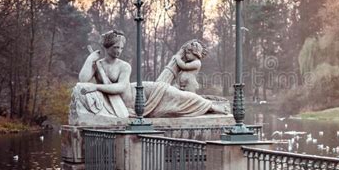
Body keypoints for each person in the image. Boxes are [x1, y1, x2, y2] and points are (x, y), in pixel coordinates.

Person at [71, 32, 228, 121]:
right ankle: (209, 106)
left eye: (121, 48)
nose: (119, 51)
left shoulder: (124, 66)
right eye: (115, 47)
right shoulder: (98, 64)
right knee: (178, 105)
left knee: (180, 97)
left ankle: (212, 107)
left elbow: (119, 87)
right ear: (107, 47)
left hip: (144, 94)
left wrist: (96, 86)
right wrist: (90, 59)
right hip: (131, 105)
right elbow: (83, 81)